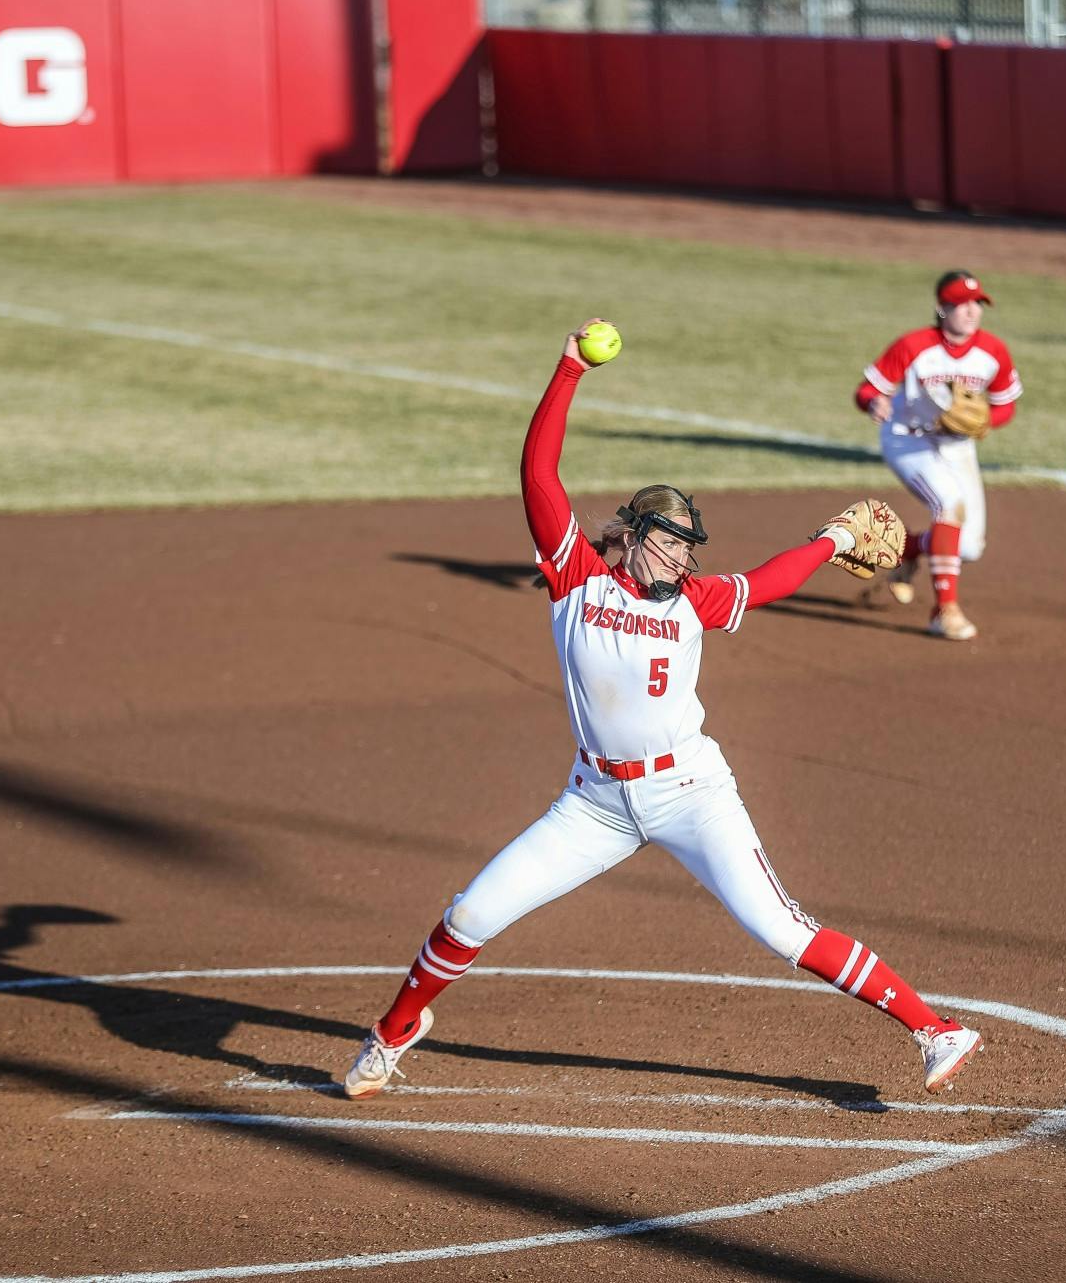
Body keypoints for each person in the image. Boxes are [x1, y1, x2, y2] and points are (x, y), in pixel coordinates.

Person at [341, 319, 985, 1100]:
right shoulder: (577, 579)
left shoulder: (696, 601)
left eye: (691, 547)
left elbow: (768, 580)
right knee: (471, 913)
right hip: (595, 804)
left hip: (690, 793)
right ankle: (392, 1033)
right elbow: (538, 474)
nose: (685, 558)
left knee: (782, 928)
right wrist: (570, 367)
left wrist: (830, 537)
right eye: (674, 543)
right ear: (635, 536)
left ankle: (934, 1029)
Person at [854, 270, 1023, 642]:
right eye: (961, 304)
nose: (971, 312)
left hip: (957, 448)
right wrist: (873, 404)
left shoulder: (992, 352)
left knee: (968, 547)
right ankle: (943, 611)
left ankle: (906, 550)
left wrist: (983, 423)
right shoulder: (914, 346)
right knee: (948, 504)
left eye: (977, 304)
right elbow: (867, 389)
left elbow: (1006, 406)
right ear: (941, 308)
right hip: (908, 441)